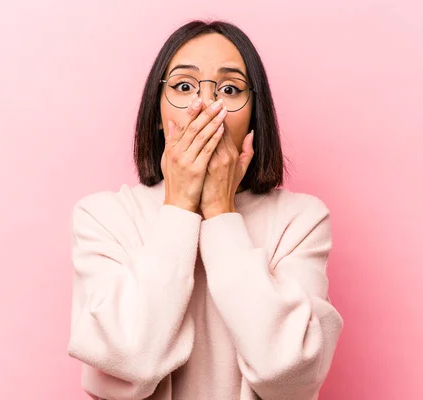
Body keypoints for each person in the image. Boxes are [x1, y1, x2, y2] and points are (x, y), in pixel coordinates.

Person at [68, 19, 343, 400]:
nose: (207, 105)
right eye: (183, 86)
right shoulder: (103, 216)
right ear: (158, 116)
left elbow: (289, 372)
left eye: (229, 89)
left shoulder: (300, 220)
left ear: (253, 118)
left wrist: (220, 210)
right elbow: (126, 359)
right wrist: (179, 205)